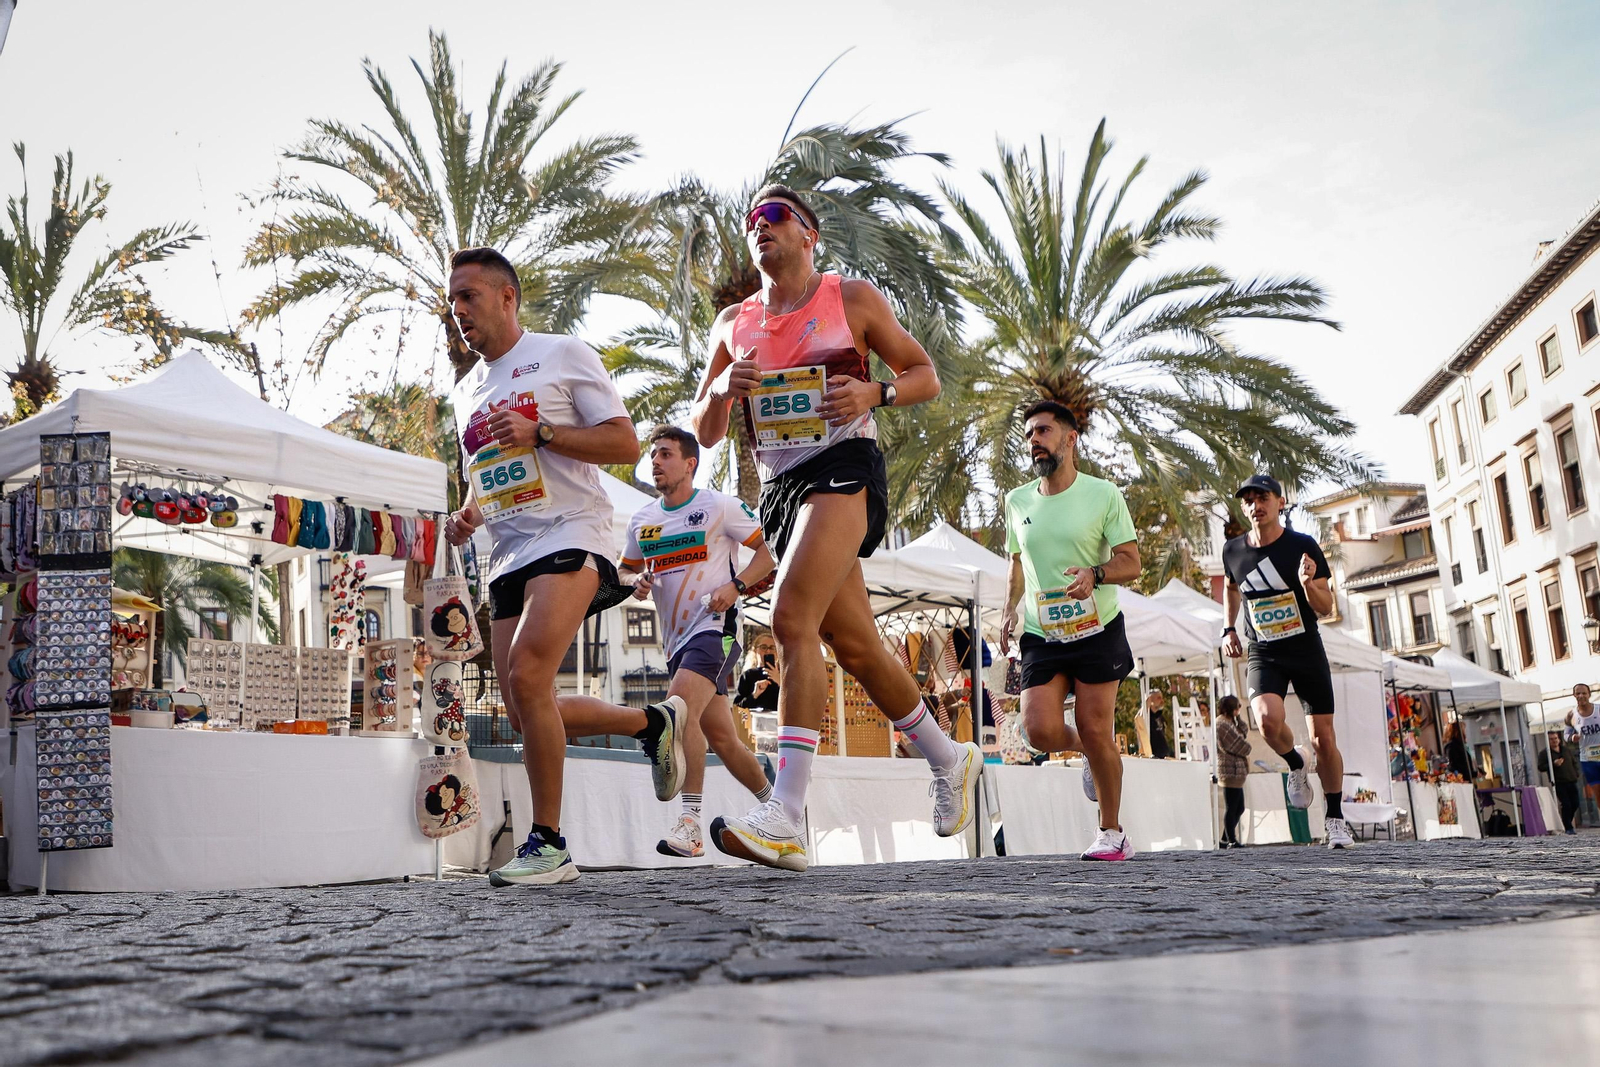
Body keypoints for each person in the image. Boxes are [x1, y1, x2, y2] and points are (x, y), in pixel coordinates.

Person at [692, 185, 982, 872]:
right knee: (853, 644)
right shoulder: (734, 323)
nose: (759, 227)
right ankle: (951, 755)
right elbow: (703, 431)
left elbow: (925, 374)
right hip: (781, 485)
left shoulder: (849, 298)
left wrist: (874, 391)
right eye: (750, 221)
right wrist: (721, 389)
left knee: (791, 619)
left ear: (809, 234)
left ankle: (787, 813)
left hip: (845, 465)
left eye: (773, 216)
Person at [444, 246, 657, 888]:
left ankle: (550, 841)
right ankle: (652, 721)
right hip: (506, 551)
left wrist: (541, 433)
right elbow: (487, 474)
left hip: (571, 531)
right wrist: (469, 514)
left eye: (469, 297)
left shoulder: (563, 354)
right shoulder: (465, 392)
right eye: (451, 301)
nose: (457, 312)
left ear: (507, 297)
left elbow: (624, 443)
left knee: (529, 670)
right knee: (519, 702)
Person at [555, 426, 778, 858]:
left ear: (690, 463)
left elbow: (768, 553)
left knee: (677, 714)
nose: (655, 462)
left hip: (716, 627)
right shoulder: (643, 520)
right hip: (675, 643)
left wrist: (736, 586)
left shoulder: (719, 506)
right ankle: (782, 807)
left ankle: (690, 825)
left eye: (665, 454)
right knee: (723, 739)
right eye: (652, 456)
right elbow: (622, 571)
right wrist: (633, 580)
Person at [999, 400, 1142, 861]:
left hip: (1097, 628)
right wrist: (1008, 608)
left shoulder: (1103, 495)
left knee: (1094, 724)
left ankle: (1112, 832)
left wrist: (1095, 575)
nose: (1034, 441)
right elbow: (1017, 563)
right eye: (1029, 435)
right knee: (1037, 730)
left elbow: (1132, 562)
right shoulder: (1016, 501)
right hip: (1043, 632)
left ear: (1069, 438)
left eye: (1042, 431)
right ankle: (1086, 750)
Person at [1222, 474, 1353, 850]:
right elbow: (1232, 588)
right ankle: (1296, 764)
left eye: (1262, 497)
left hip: (1305, 646)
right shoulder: (1232, 550)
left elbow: (1326, 608)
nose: (1254, 505)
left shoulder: (1303, 545)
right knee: (1265, 720)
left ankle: (1336, 819)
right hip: (1264, 649)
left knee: (1323, 738)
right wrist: (1228, 628)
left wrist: (1308, 583)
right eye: (1247, 499)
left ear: (1280, 503)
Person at [1215, 696, 1251, 848]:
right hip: (1230, 770)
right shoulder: (1222, 724)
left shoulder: (1230, 722)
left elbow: (1243, 731)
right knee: (1232, 806)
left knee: (1239, 807)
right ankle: (1231, 839)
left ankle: (1225, 838)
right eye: (1238, 707)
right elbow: (1239, 744)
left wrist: (1238, 718)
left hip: (1236, 771)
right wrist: (1247, 748)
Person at [1574, 684, 1600, 823]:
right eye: (1578, 694)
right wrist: (1572, 738)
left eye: (1584, 693)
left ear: (1589, 694)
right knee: (1598, 793)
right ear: (1574, 696)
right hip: (1588, 759)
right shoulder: (1572, 715)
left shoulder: (1598, 710)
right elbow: (1567, 735)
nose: (1581, 696)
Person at [735, 632, 781, 712]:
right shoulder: (748, 675)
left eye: (772, 647)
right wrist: (754, 695)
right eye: (763, 647)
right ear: (755, 650)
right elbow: (738, 708)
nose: (768, 651)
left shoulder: (786, 675)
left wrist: (780, 682)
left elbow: (797, 701)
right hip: (755, 721)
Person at [1549, 730, 1581, 835]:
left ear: (1559, 739)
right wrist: (1554, 764)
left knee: (1575, 803)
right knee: (1566, 804)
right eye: (1551, 739)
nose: (1554, 741)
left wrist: (1576, 773)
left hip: (1571, 780)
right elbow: (1541, 766)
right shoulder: (1546, 753)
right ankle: (1568, 826)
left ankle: (1566, 822)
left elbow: (1573, 762)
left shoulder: (1565, 750)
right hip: (1559, 782)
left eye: (1555, 738)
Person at [1147, 690, 1172, 760]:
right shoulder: (1147, 717)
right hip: (1153, 758)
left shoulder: (1159, 716)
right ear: (1151, 700)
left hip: (1163, 758)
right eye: (1158, 698)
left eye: (1162, 698)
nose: (1162, 700)